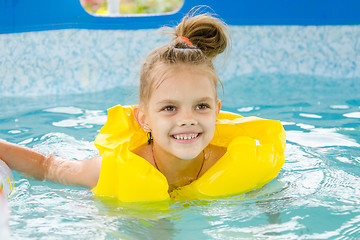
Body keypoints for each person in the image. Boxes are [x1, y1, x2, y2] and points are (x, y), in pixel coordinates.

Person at [0, 9, 286, 201]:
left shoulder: (233, 163)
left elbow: (270, 203)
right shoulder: (118, 167)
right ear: (143, 119)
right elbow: (48, 167)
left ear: (218, 110)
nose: (187, 119)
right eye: (169, 108)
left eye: (201, 106)